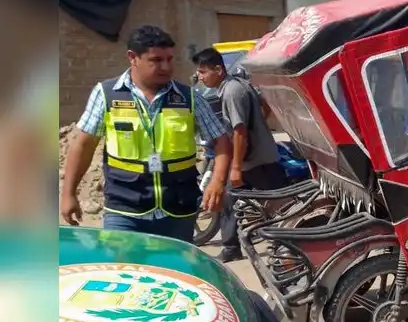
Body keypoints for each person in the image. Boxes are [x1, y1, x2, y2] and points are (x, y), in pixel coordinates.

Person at [61, 25, 232, 242]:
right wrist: (68, 194)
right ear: (133, 58)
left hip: (178, 209)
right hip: (125, 209)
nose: (166, 66)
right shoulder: (107, 94)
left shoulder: (188, 97)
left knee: (174, 271)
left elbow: (221, 141)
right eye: (157, 60)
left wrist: (217, 182)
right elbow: (83, 145)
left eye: (170, 59)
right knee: (124, 272)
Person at [193, 47, 287, 263]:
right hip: (249, 157)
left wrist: (235, 167)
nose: (201, 77)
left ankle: (285, 247)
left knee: (277, 204)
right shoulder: (235, 86)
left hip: (256, 161)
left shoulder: (232, 92)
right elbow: (264, 108)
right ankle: (231, 247)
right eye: (199, 72)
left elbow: (239, 131)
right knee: (229, 200)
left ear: (219, 69)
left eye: (204, 72)